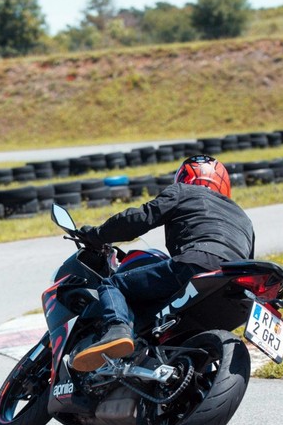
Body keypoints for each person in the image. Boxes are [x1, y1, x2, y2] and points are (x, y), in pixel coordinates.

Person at [71, 155, 255, 372]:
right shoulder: (243, 218)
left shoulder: (184, 191)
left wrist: (96, 235)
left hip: (197, 263)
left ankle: (117, 331)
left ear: (184, 177)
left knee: (113, 285)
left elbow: (140, 219)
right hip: (233, 286)